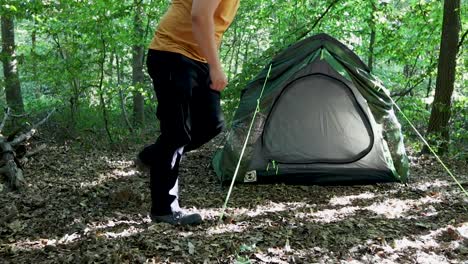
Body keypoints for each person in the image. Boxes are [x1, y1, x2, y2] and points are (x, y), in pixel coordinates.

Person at [137, 0, 240, 225]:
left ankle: (154, 156)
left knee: (211, 124)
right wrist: (216, 66)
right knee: (176, 134)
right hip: (172, 53)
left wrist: (210, 62)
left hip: (198, 57)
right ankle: (164, 210)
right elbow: (200, 17)